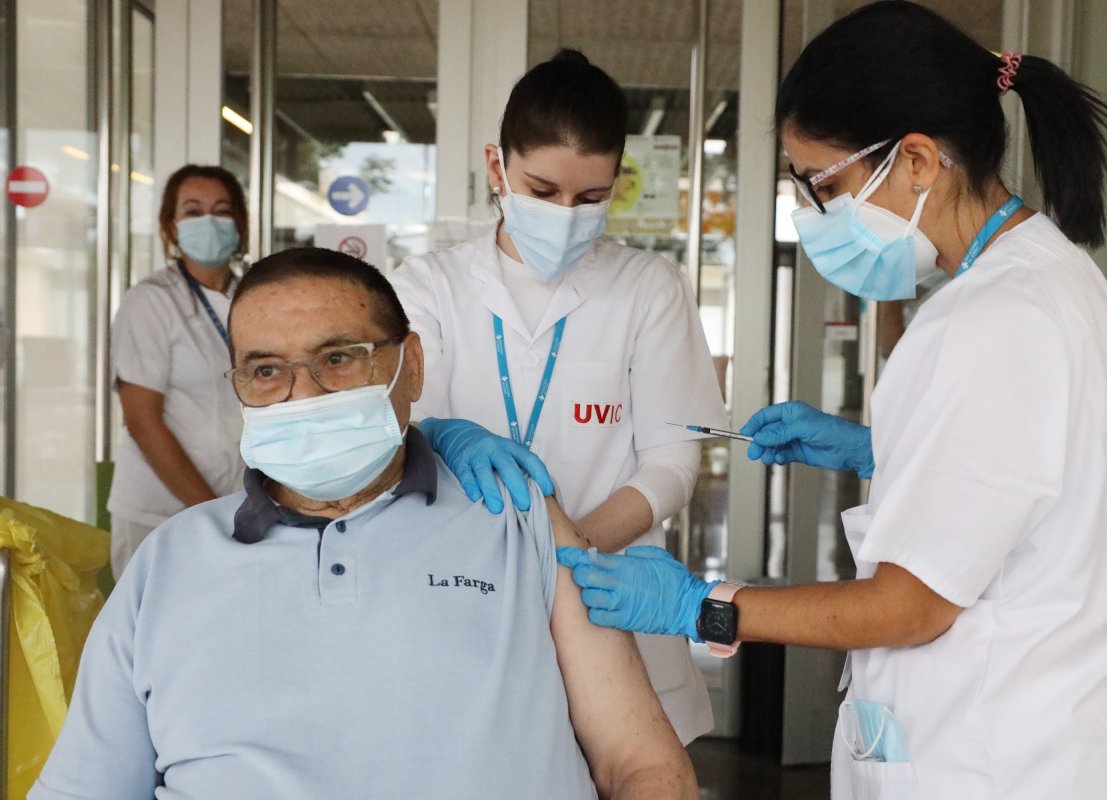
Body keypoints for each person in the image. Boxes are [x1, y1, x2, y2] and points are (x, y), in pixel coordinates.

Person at [558, 3, 1107, 798]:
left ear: (915, 160)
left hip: (988, 762)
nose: (812, 214)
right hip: (1015, 739)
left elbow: (911, 607)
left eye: (824, 184)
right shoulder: (1045, 277)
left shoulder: (993, 317)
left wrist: (706, 605)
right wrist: (875, 447)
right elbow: (1031, 474)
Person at [31, 248, 699, 800]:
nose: (305, 394)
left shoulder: (515, 518)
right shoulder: (168, 565)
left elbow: (641, 764)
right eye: (267, 370)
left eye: (339, 357)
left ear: (411, 365)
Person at [389, 49, 727, 744]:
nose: (566, 215)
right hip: (463, 591)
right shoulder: (429, 287)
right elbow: (403, 431)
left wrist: (567, 553)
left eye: (591, 198)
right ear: (496, 167)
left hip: (610, 593)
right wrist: (442, 433)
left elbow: (670, 465)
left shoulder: (646, 288)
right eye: (542, 192)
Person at [107, 164, 249, 577]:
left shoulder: (253, 296)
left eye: (222, 210)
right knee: (155, 635)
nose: (210, 221)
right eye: (192, 211)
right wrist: (211, 511)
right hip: (161, 514)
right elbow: (142, 421)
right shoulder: (150, 301)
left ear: (239, 222)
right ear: (170, 228)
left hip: (238, 506)